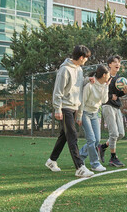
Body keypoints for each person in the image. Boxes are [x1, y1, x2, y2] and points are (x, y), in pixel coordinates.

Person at [45, 45, 95, 178]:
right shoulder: (65, 70)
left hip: (74, 106)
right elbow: (58, 91)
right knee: (72, 136)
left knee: (64, 136)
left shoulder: (79, 69)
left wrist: (86, 80)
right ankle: (80, 167)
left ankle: (51, 160)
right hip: (65, 107)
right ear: (80, 57)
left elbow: (76, 86)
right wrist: (57, 108)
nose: (86, 61)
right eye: (86, 58)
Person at [77, 65, 110, 172]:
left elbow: (104, 100)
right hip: (85, 113)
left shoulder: (103, 85)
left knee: (96, 140)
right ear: (104, 75)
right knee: (91, 139)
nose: (109, 77)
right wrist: (79, 116)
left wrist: (106, 87)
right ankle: (95, 164)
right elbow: (82, 101)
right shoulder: (90, 86)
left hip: (95, 114)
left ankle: (80, 157)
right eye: (108, 75)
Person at [98, 55, 127, 167]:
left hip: (116, 107)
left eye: (119, 62)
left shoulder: (119, 79)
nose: (118, 64)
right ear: (110, 64)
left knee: (121, 134)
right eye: (115, 62)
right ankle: (113, 158)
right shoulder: (105, 76)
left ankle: (102, 147)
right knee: (114, 133)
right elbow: (100, 91)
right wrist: (111, 96)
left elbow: (118, 95)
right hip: (107, 105)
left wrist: (124, 92)